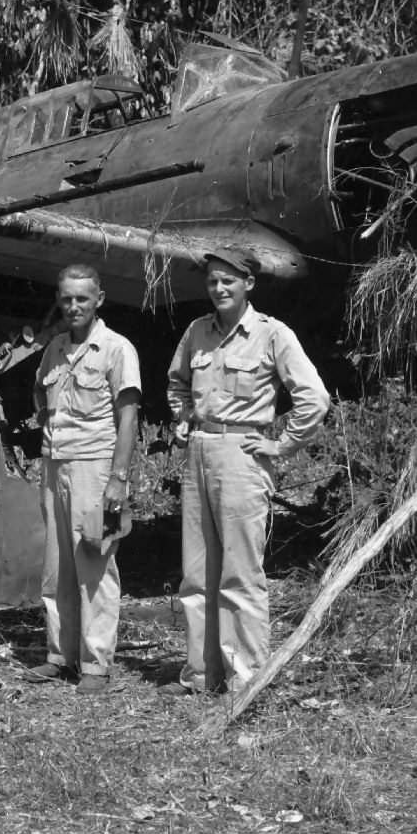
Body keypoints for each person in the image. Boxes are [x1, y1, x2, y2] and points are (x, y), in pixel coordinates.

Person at [164, 247, 328, 696]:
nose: (219, 288)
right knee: (197, 574)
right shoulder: (198, 332)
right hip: (198, 449)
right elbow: (177, 382)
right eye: (213, 281)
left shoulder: (272, 335)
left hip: (242, 454)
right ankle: (201, 675)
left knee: (240, 572)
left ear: (248, 284)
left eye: (228, 281)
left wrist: (282, 443)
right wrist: (182, 416)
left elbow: (314, 397)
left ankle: (246, 681)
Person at [23, 265, 140, 695]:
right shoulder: (54, 348)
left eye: (82, 299)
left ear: (99, 300)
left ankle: (95, 665)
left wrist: (118, 480)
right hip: (55, 466)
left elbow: (128, 417)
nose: (74, 307)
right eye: (67, 299)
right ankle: (60, 656)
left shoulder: (115, 349)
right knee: (57, 566)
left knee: (95, 563)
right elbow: (41, 395)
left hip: (95, 468)